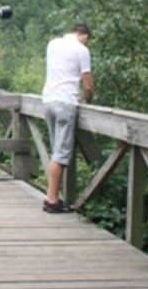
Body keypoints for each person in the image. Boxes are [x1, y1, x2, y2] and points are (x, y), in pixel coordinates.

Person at [41, 23, 94, 214]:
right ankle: (52, 200)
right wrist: (88, 101)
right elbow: (88, 85)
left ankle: (52, 197)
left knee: (56, 150)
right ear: (85, 36)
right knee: (61, 154)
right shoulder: (82, 50)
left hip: (48, 100)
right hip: (66, 102)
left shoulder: (53, 44)